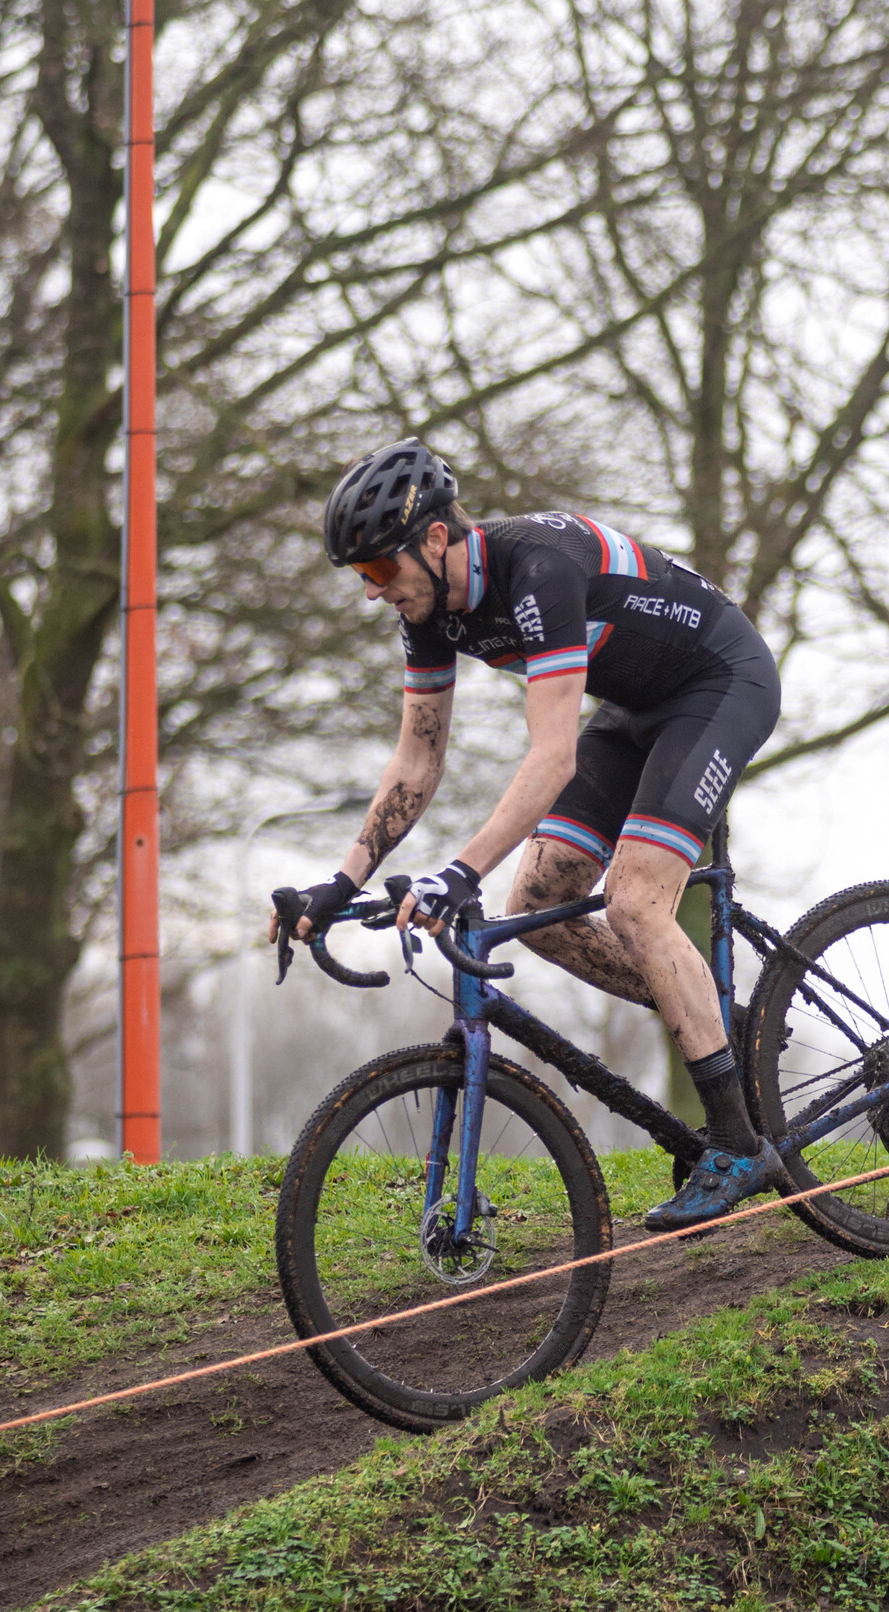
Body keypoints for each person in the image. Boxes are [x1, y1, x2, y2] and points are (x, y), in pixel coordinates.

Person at [276, 436, 783, 1230]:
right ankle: (728, 1028)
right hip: (633, 709)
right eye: (362, 578)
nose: (374, 594)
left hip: (719, 683)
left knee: (637, 903)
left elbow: (550, 756)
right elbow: (417, 760)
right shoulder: (430, 614)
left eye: (379, 571)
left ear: (434, 539)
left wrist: (458, 871)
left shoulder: (537, 570)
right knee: (541, 906)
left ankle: (735, 1141)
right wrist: (340, 884)